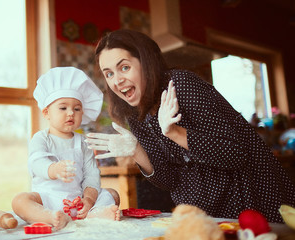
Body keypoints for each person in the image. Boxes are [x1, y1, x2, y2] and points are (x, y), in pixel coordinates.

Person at [85, 29, 295, 223]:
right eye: (109, 73)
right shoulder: (134, 113)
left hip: (249, 200)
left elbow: (235, 153)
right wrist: (137, 150)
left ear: (145, 62)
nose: (117, 81)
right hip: (204, 214)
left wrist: (174, 132)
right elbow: (168, 180)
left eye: (124, 67)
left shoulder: (180, 84)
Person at [12, 67, 121, 231]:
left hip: (78, 201)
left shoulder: (83, 142)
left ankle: (91, 212)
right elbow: (36, 162)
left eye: (77, 109)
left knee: (113, 194)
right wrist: (53, 169)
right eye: (63, 108)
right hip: (48, 200)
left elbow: (91, 174)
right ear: (47, 112)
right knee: (19, 200)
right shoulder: (41, 138)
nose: (71, 113)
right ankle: (50, 217)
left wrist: (89, 199)